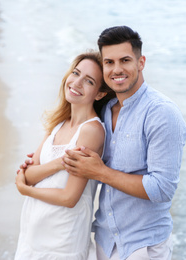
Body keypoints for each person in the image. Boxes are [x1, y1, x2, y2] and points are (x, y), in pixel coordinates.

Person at [62, 26, 186, 260]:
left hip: (143, 246)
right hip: (103, 240)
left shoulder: (162, 114)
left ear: (141, 62)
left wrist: (101, 172)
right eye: (109, 62)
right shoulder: (106, 109)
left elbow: (162, 188)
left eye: (125, 60)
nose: (117, 69)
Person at [14, 51, 115, 260]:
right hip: (33, 235)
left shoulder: (91, 131)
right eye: (75, 73)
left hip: (62, 240)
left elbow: (69, 198)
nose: (76, 83)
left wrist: (27, 190)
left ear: (100, 93)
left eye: (88, 81)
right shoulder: (59, 123)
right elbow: (29, 175)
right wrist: (58, 164)